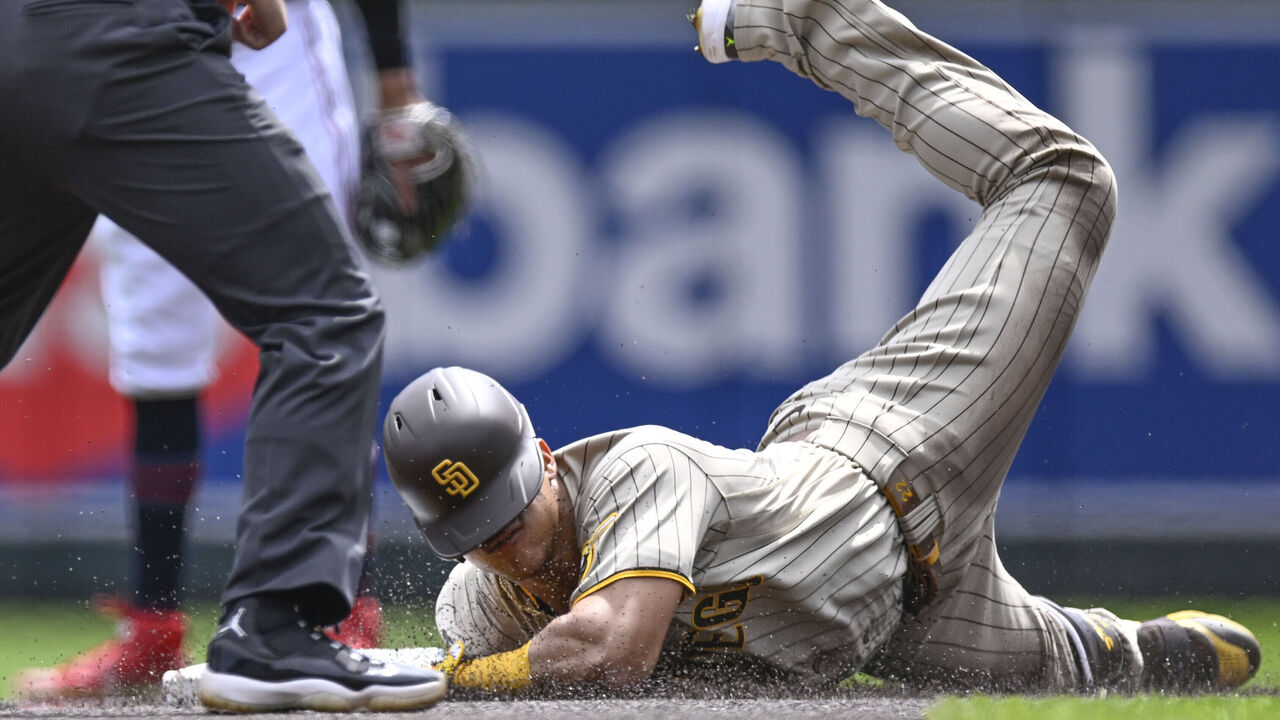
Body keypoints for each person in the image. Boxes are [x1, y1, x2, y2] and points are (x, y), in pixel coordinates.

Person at [380, 0, 1262, 696]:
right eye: (476, 536)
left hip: (896, 449)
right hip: (920, 625)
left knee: (1067, 182)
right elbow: (445, 672)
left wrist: (459, 674)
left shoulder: (635, 470)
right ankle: (1136, 650)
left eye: (510, 515)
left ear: (542, 461)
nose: (505, 548)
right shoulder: (480, 596)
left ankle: (806, 19)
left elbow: (610, 652)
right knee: (1090, 673)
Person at [0, 0, 444, 712]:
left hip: (22, 46)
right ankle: (283, 625)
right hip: (142, 51)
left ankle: (335, 613)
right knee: (323, 313)